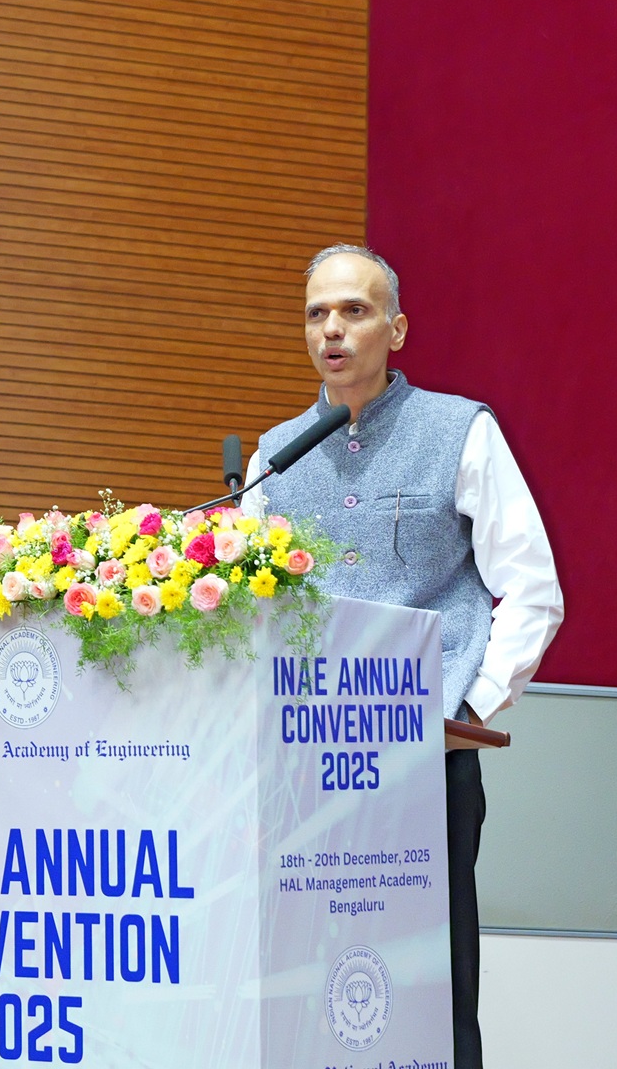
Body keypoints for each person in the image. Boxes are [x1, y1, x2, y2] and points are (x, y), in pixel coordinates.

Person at [242, 244, 563, 1069]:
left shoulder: (461, 431)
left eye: (354, 310)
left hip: (427, 760)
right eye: (317, 314)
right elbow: (252, 616)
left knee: (431, 993)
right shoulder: (275, 457)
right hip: (306, 766)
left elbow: (533, 590)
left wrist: (469, 709)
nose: (332, 329)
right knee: (300, 986)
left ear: (397, 328)